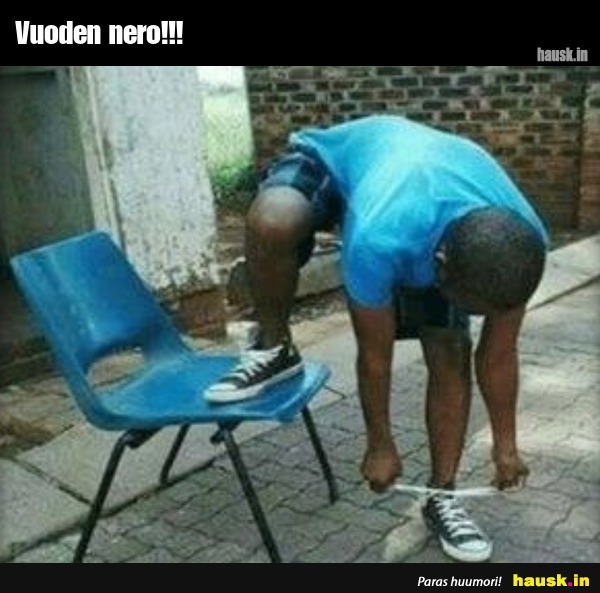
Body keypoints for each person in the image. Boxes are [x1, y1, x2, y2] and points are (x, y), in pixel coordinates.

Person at [205, 115, 548, 563]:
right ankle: (276, 346)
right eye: (468, 304)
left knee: (450, 347)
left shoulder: (521, 247)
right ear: (441, 264)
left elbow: (498, 356)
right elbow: (374, 357)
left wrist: (506, 446)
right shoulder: (378, 236)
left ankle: (441, 495)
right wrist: (379, 442)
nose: (472, 315)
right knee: (274, 219)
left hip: (426, 200)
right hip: (335, 164)